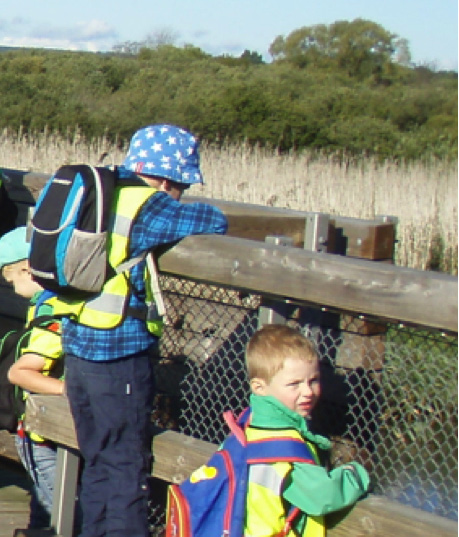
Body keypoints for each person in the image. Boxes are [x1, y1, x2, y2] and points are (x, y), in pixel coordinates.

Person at [62, 124, 228, 537]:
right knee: (127, 469)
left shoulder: (96, 190)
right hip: (118, 351)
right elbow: (212, 220)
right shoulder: (150, 204)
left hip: (77, 343)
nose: (181, 192)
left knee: (98, 459)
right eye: (183, 184)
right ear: (170, 178)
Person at [244, 323, 370, 537]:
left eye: (313, 380)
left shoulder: (247, 427)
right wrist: (356, 475)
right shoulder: (283, 448)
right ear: (259, 387)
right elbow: (323, 497)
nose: (307, 391)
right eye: (294, 384)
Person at [0, 226, 64, 529]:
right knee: (50, 505)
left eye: (10, 279)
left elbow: (19, 371)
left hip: (40, 431)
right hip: (40, 429)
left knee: (50, 505)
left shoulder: (50, 310)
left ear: (28, 269)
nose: (11, 288)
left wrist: (69, 390)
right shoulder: (50, 305)